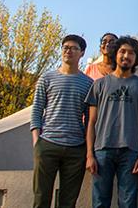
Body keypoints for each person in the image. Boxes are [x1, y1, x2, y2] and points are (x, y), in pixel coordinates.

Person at [85, 36, 138, 208]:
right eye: (122, 51)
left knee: (128, 202)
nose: (126, 56)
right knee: (100, 201)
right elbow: (91, 122)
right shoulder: (99, 85)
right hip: (102, 150)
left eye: (131, 53)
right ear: (116, 54)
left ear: (136, 57)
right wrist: (89, 155)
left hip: (130, 151)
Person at [30, 35, 93, 208]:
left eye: (73, 48)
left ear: (82, 53)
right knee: (41, 198)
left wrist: (88, 151)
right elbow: (37, 110)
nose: (68, 51)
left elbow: (89, 120)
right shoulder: (47, 78)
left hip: (76, 148)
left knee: (68, 201)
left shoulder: (88, 84)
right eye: (65, 47)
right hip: (48, 144)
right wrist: (37, 142)